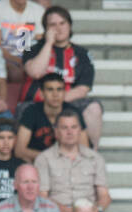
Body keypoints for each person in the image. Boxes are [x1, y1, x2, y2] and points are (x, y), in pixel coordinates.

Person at [20, 5, 101, 143]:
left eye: (62, 23)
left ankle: (91, 156)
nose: (59, 28)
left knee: (94, 108)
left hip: (68, 103)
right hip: (34, 103)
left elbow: (83, 88)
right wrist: (49, 43)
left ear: (69, 25)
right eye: (53, 24)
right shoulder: (32, 49)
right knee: (23, 111)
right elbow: (35, 72)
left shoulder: (82, 54)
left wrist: (56, 101)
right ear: (46, 29)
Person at [35, 109, 116, 212]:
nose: (69, 132)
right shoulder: (44, 159)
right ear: (56, 131)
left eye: (74, 127)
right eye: (64, 128)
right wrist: (68, 211)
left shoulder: (95, 158)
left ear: (80, 131)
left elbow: (104, 195)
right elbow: (42, 196)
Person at [16, 71, 88, 162]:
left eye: (59, 89)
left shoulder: (74, 113)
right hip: (38, 163)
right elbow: (19, 151)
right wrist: (52, 158)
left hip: (67, 164)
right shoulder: (31, 111)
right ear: (41, 94)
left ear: (64, 93)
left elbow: (85, 149)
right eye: (50, 89)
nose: (55, 94)